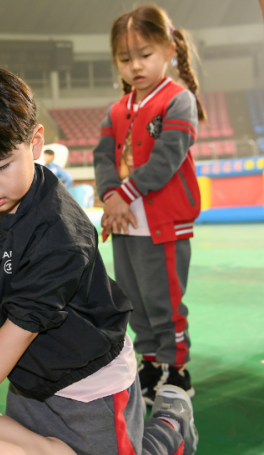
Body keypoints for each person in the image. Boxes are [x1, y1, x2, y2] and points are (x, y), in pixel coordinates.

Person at [0, 65, 198, 455]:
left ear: (35, 143)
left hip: (92, 385)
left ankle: (171, 424)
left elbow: (21, 328)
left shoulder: (60, 231)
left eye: (1, 165)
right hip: (28, 379)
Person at [93, 4, 203, 405]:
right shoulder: (116, 109)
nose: (135, 66)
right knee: (134, 301)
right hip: (123, 223)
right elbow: (102, 157)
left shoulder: (179, 100)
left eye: (145, 54)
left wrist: (123, 194)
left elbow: (166, 159)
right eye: (125, 58)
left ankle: (177, 370)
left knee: (165, 301)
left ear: (169, 49)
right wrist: (110, 196)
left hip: (163, 222)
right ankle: (151, 363)